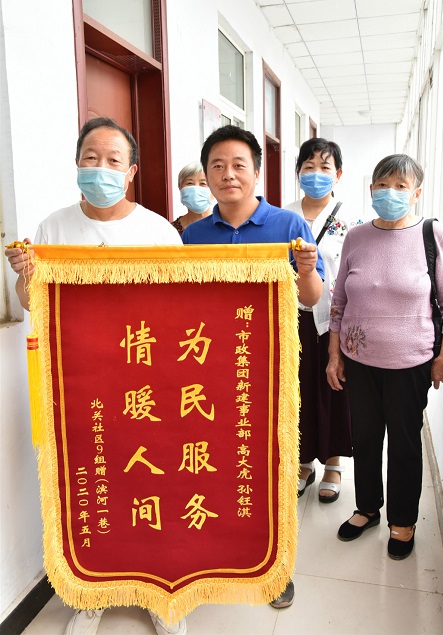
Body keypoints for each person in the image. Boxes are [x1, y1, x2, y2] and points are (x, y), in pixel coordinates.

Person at [5, 117, 185, 635]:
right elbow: (32, 302)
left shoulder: (159, 232)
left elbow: (181, 309)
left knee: (153, 482)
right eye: (90, 158)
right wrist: (25, 276)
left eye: (112, 160)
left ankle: (158, 590)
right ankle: (94, 591)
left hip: (146, 382)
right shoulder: (53, 228)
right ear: (77, 164)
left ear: (131, 172)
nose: (100, 168)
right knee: (94, 483)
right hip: (81, 383)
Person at [182, 124, 325, 609]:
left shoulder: (288, 226)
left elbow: (312, 298)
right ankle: (222, 554)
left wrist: (306, 270)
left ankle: (275, 568)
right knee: (219, 465)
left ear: (257, 172)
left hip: (271, 369)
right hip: (209, 368)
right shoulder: (194, 235)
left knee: (272, 466)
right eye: (217, 166)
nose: (228, 175)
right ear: (206, 175)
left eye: (238, 165)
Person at [326, 154, 443, 561]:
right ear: (371, 190)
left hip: (410, 363)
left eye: (401, 186)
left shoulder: (431, 234)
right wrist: (334, 354)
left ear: (416, 193)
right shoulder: (356, 237)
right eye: (382, 185)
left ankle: (403, 521)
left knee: (403, 443)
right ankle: (367, 508)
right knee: (365, 438)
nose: (390, 193)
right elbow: (339, 301)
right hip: (359, 360)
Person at [284, 138, 363, 502]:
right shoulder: (284, 217)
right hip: (292, 318)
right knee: (296, 390)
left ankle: (333, 463)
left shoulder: (353, 223)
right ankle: (303, 462)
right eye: (308, 166)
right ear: (298, 172)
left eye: (325, 167)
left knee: (334, 388)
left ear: (338, 174)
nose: (316, 174)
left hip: (335, 320)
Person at [171, 161, 213, 235]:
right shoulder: (171, 231)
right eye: (190, 183)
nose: (195, 189)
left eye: (203, 183)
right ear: (180, 188)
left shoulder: (225, 227)